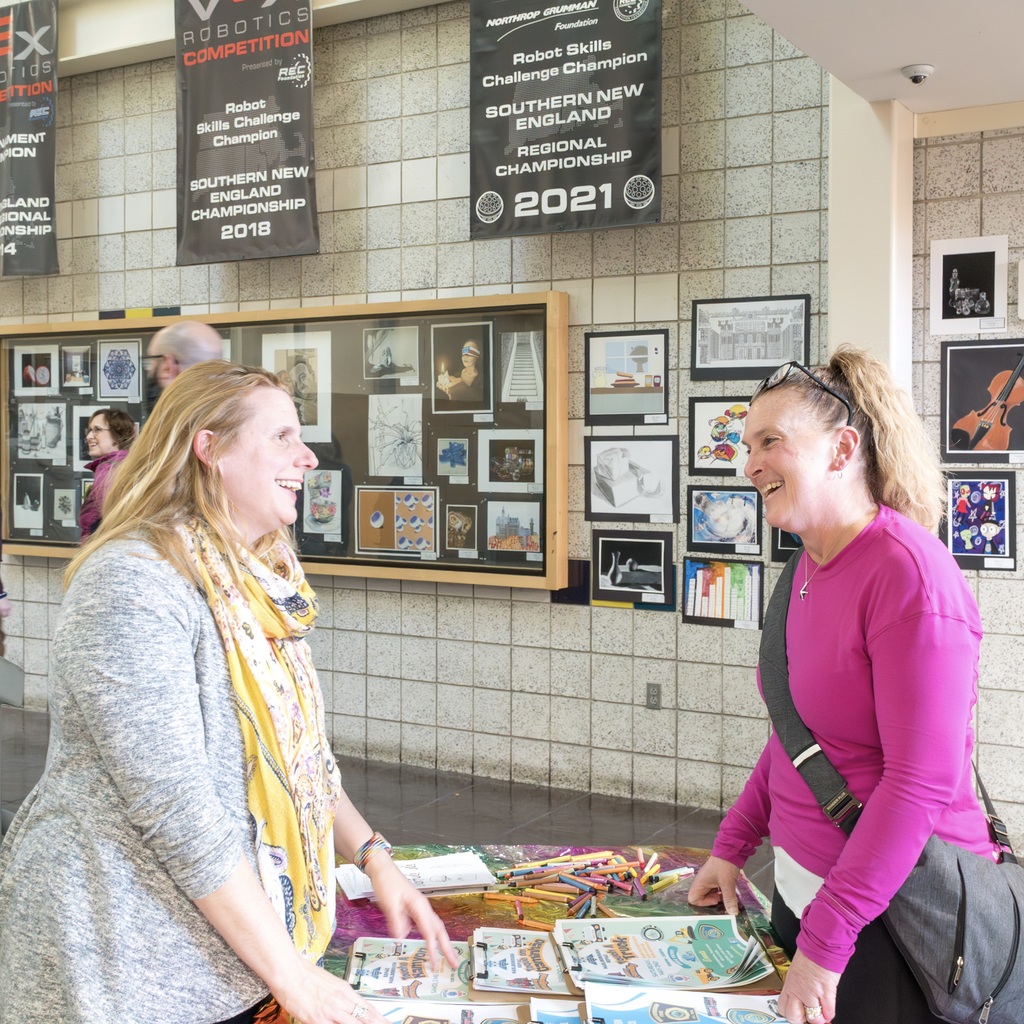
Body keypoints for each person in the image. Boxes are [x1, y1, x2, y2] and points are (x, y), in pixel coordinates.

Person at [0, 361, 457, 1024]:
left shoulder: (256, 579)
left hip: (225, 950)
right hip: (126, 957)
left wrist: (370, 853)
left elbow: (294, 756)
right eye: (281, 437)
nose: (306, 457)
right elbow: (177, 812)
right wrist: (292, 975)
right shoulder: (132, 583)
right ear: (207, 449)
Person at [687, 346, 998, 1024]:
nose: (750, 465)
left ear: (840, 449)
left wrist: (827, 942)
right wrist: (732, 846)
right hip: (807, 896)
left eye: (770, 442)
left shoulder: (909, 575)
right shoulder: (803, 569)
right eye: (747, 446)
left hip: (895, 925)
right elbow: (796, 740)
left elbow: (920, 783)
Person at [79, 407, 136, 539]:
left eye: (97, 430)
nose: (89, 436)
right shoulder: (126, 465)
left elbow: (112, 522)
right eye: (89, 431)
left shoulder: (108, 470)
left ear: (117, 435)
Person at [147, 319, 225, 395]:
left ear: (168, 367)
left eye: (152, 363)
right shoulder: (231, 403)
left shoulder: (171, 407)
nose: (150, 371)